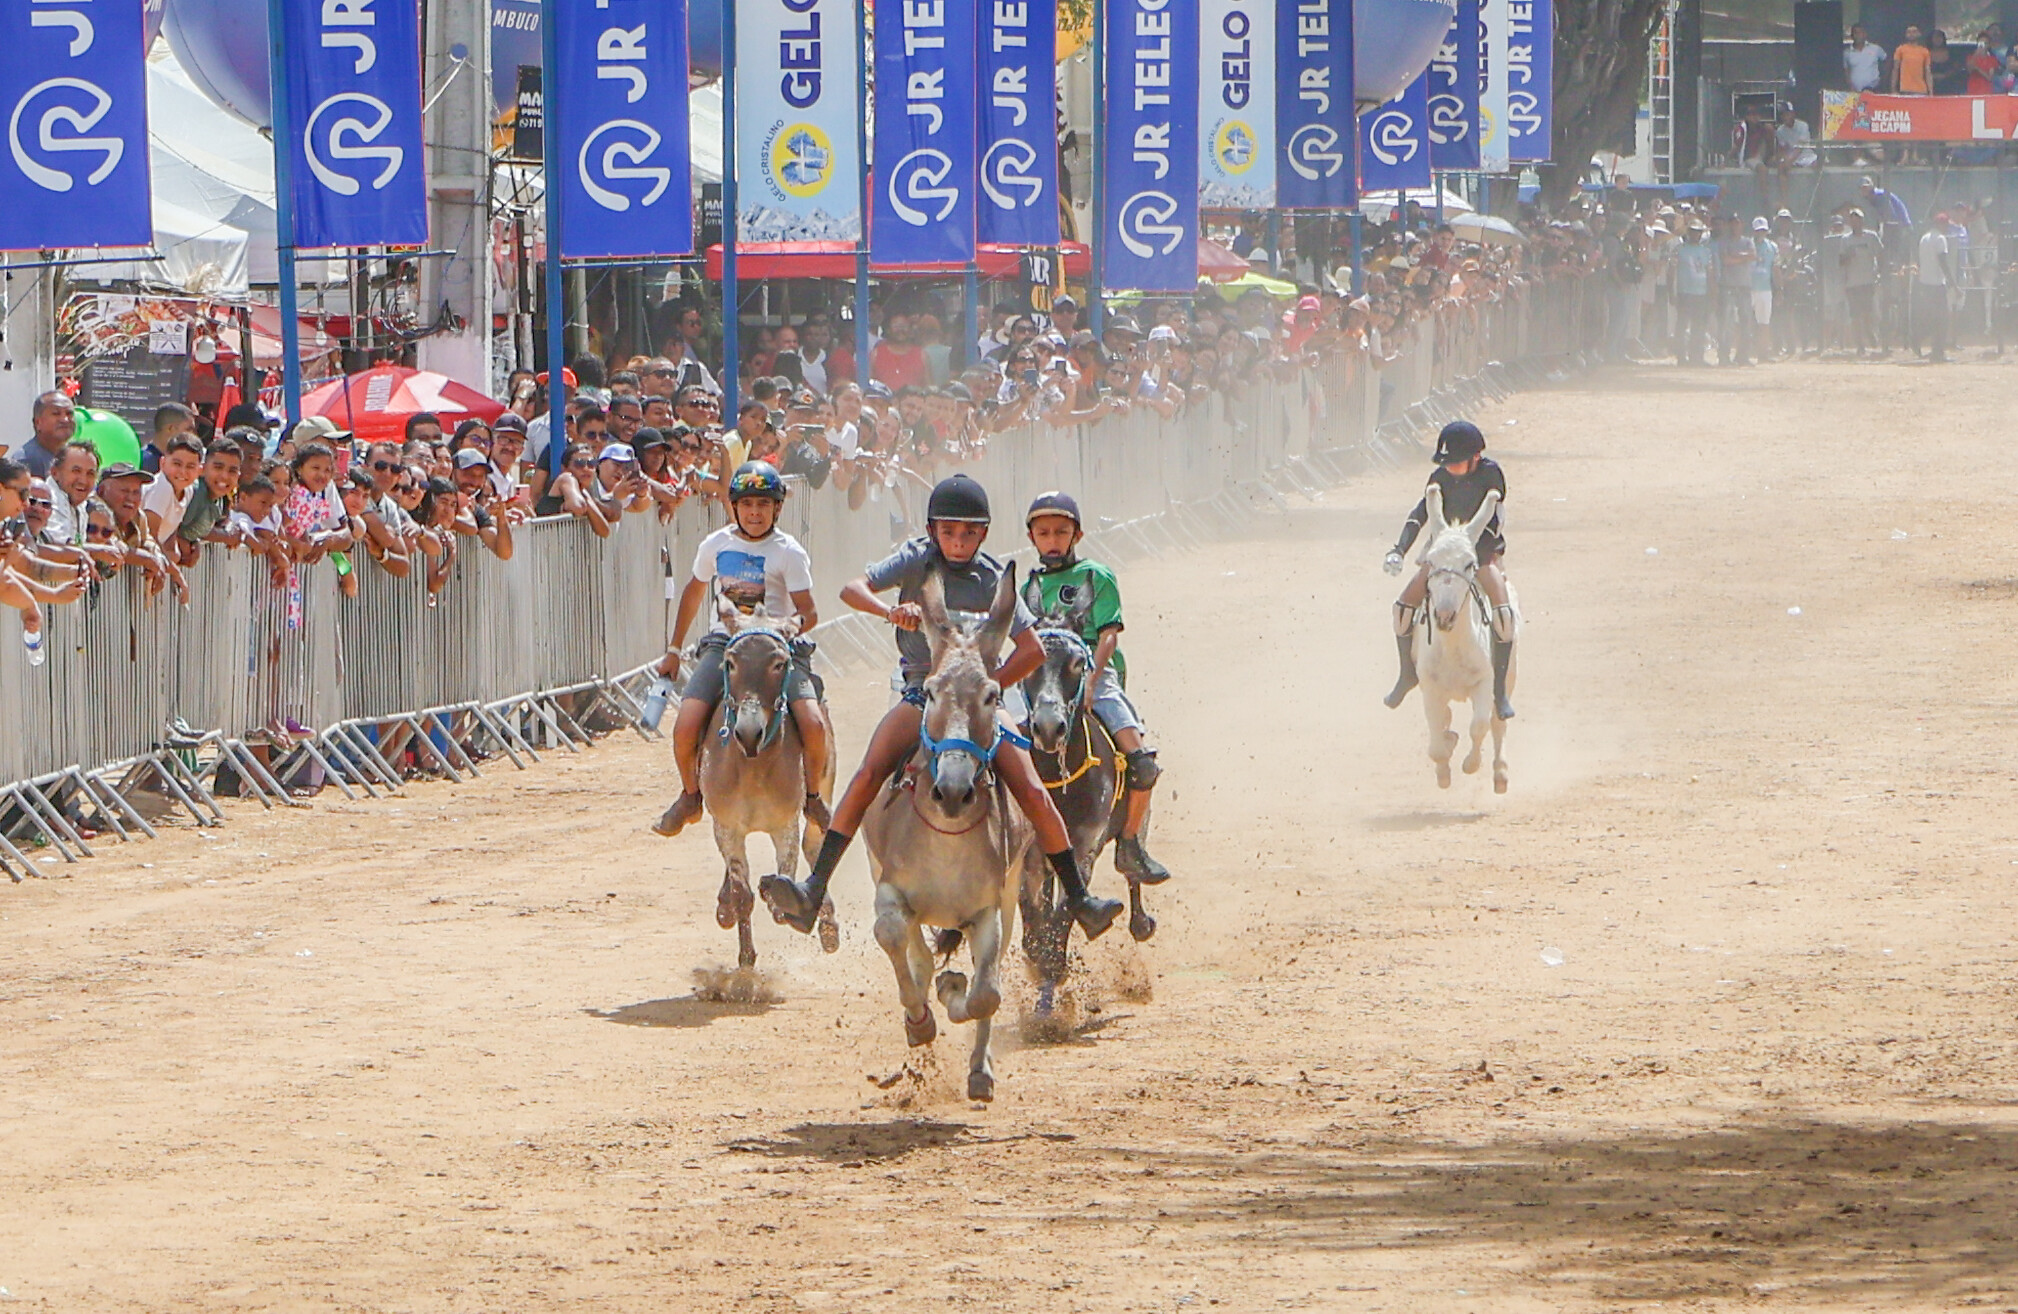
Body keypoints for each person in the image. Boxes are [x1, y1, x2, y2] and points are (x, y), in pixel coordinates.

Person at [759, 474, 1125, 941]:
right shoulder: (915, 558)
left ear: (984, 535)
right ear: (933, 531)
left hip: (978, 705)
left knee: (1033, 789)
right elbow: (852, 589)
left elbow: (1031, 650)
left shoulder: (993, 576)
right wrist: (888, 610)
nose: (958, 542)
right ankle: (814, 888)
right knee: (870, 772)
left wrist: (989, 688)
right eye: (949, 532)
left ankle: (1079, 899)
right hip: (921, 694)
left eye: (969, 533)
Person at [649, 461, 832, 837]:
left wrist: (792, 626)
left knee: (813, 723)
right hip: (725, 643)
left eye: (763, 505)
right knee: (686, 724)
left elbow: (809, 609)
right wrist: (673, 647)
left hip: (776, 646)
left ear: (777, 509)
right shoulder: (716, 544)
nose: (754, 513)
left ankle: (812, 796)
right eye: (747, 504)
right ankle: (689, 795)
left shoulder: (789, 552)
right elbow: (694, 592)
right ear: (734, 506)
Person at [1020, 492, 1173, 885]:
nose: (1052, 539)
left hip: (1091, 673)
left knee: (1141, 762)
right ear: (1032, 537)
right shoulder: (1028, 587)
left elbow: (1108, 636)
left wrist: (1091, 679)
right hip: (1042, 675)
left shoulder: (1098, 575)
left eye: (1061, 532)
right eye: (1044, 533)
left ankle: (1130, 844)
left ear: (1077, 534)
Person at [1383, 420, 1516, 721]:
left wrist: (1468, 551)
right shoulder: (1439, 477)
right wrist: (1399, 549)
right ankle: (1407, 672)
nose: (1451, 469)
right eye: (1448, 463)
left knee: (1503, 610)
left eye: (1457, 462)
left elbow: (1492, 519)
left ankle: (1498, 690)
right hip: (1443, 553)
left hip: (1479, 553)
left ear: (1475, 458)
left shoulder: (1491, 475)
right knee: (1403, 608)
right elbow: (1421, 514)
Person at [1840, 208, 1884, 356]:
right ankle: (1860, 345)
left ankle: (1870, 332)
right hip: (1852, 282)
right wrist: (1848, 256)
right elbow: (1841, 261)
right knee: (1855, 315)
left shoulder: (1871, 237)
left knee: (1868, 312)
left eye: (1857, 219)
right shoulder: (1845, 240)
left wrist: (1880, 273)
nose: (1855, 222)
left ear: (1862, 221)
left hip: (1868, 281)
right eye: (1852, 219)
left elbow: (1880, 254)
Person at [1915, 213, 1955, 363]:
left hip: (1925, 283)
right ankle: (1938, 352)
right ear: (1941, 224)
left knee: (1932, 317)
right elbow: (1943, 262)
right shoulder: (1940, 239)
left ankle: (1922, 341)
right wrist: (1952, 282)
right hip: (1937, 284)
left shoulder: (1924, 238)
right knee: (1942, 320)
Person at [20, 391, 77, 479]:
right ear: (38, 423)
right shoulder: (24, 462)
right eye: (56, 413)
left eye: (69, 414)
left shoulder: (76, 457)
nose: (65, 419)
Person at [1844, 23, 1885, 92]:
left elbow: (1887, 60)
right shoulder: (1847, 53)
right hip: (1855, 91)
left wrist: (1883, 78)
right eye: (1855, 33)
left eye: (1860, 32)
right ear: (1851, 36)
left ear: (1865, 34)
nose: (1858, 35)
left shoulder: (1875, 49)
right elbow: (1846, 71)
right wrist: (1850, 85)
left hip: (1874, 89)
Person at [1893, 24, 1931, 94]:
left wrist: (1930, 92)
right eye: (1909, 32)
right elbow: (1896, 69)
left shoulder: (1924, 51)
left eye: (1914, 32)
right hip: (1905, 89)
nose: (1911, 34)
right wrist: (1893, 89)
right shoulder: (1900, 49)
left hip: (1921, 90)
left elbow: (1927, 72)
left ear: (1919, 34)